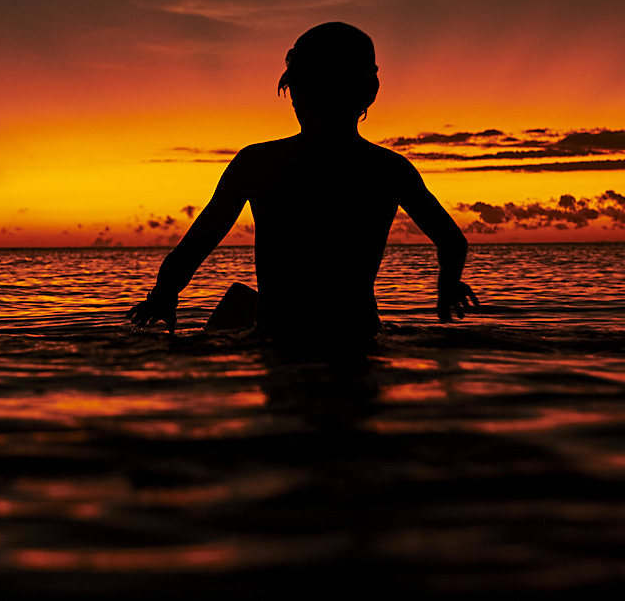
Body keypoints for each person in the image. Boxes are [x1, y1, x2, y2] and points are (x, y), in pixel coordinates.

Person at [127, 22, 477, 353]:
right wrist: (447, 286)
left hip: (277, 337)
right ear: (369, 92)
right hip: (358, 336)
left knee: (241, 312)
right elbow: (452, 240)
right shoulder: (388, 169)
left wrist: (164, 295)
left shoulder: (258, 163)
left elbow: (199, 240)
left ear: (295, 91)